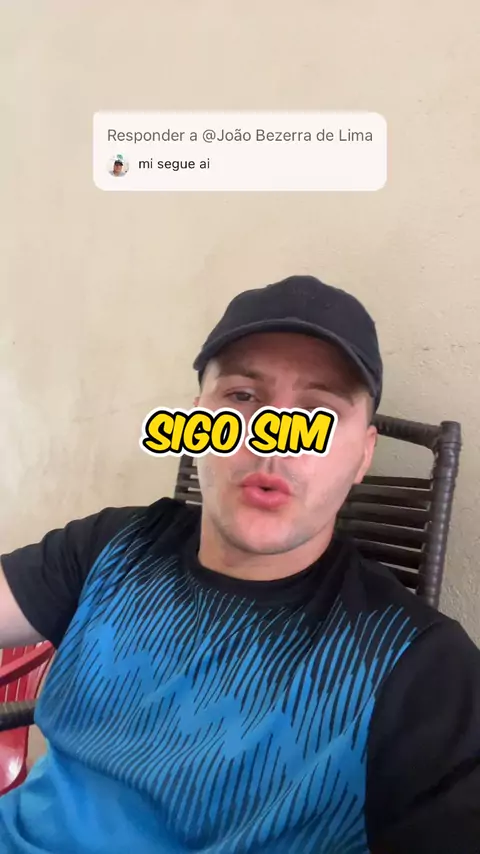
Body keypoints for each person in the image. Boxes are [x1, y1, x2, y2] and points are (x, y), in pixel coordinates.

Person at [0, 275, 479, 854]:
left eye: (319, 412)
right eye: (242, 398)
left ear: (363, 456)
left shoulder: (419, 669)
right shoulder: (117, 543)